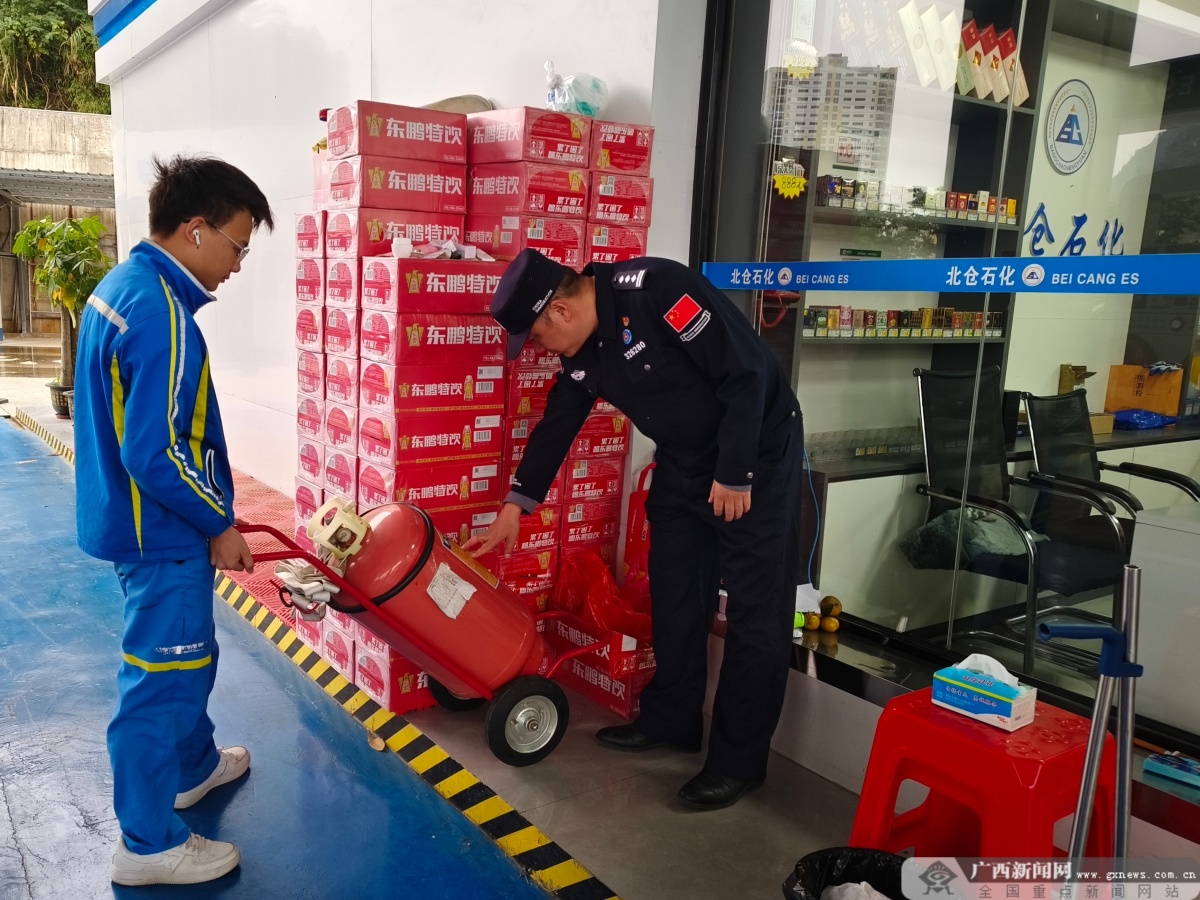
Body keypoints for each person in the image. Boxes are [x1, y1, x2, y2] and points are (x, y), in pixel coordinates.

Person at [465, 249, 804, 811]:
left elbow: (746, 371)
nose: (543, 351)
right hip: (686, 459)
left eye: (539, 339)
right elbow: (559, 419)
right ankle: (672, 720)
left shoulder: (656, 290)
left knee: (756, 611)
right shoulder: (585, 348)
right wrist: (516, 506)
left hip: (754, 455)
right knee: (674, 589)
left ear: (560, 312)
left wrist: (735, 473)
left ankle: (738, 762)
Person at [73, 155, 274, 885]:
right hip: (161, 533)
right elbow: (155, 451)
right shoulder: (163, 315)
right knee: (160, 685)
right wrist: (220, 522)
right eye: (238, 244)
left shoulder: (123, 286)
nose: (237, 264)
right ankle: (148, 844)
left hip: (132, 523)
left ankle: (193, 768)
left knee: (193, 659)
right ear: (195, 230)